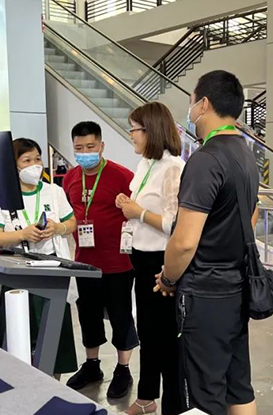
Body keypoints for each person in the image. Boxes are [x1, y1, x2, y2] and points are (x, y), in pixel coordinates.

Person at [156, 70, 259, 415]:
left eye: (191, 102)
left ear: (203, 104)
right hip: (237, 285)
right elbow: (252, 216)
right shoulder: (245, 153)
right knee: (238, 385)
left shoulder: (205, 159)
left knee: (203, 394)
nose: (190, 111)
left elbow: (185, 242)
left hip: (204, 292)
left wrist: (168, 278)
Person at [0, 138, 78, 377]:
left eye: (38, 159)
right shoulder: (2, 196)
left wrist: (58, 228)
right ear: (13, 165)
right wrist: (22, 234)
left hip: (51, 271)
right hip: (16, 274)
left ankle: (54, 384)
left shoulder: (54, 191)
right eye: (26, 160)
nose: (34, 165)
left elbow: (71, 222)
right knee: (17, 337)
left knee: (54, 340)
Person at [115, 102, 185, 415]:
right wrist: (129, 205)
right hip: (141, 258)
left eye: (135, 129)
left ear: (151, 130)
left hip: (162, 260)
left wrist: (138, 212)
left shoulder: (173, 168)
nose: (131, 135)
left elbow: (175, 223)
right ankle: (146, 397)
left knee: (166, 337)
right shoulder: (146, 164)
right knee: (147, 331)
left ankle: (173, 404)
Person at [63, 121, 138, 399]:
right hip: (85, 261)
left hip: (118, 262)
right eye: (79, 148)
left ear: (101, 146)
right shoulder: (70, 178)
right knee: (88, 314)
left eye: (90, 146)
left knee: (120, 315)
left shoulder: (123, 176)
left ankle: (123, 368)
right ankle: (92, 365)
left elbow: (137, 211)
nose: (85, 153)